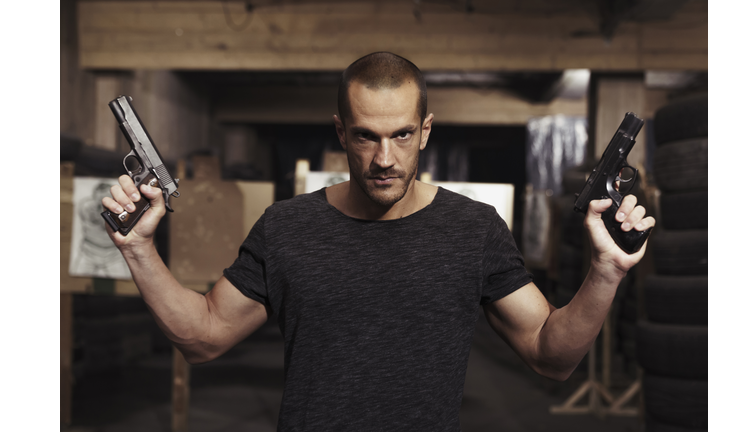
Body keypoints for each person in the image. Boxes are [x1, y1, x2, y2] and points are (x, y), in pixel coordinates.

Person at [103, 52, 655, 431]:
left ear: (426, 130)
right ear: (341, 131)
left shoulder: (473, 229)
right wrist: (138, 249)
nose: (384, 159)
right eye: (366, 136)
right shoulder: (287, 228)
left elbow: (551, 356)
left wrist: (606, 270)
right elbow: (203, 338)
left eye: (401, 136)